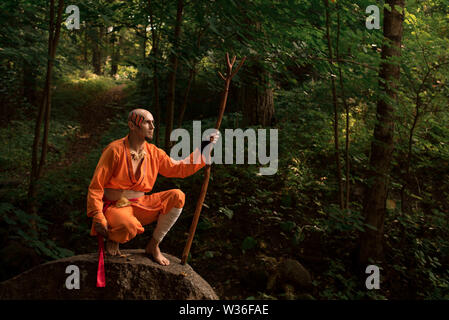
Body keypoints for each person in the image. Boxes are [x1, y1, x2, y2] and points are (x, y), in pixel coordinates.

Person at [87, 108, 218, 265]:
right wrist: (97, 214)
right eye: (147, 122)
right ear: (132, 126)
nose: (152, 126)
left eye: (153, 122)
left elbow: (180, 169)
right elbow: (96, 186)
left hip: (141, 205)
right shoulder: (114, 150)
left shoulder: (154, 152)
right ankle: (114, 236)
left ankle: (153, 245)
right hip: (115, 207)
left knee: (177, 196)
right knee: (127, 226)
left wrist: (204, 148)